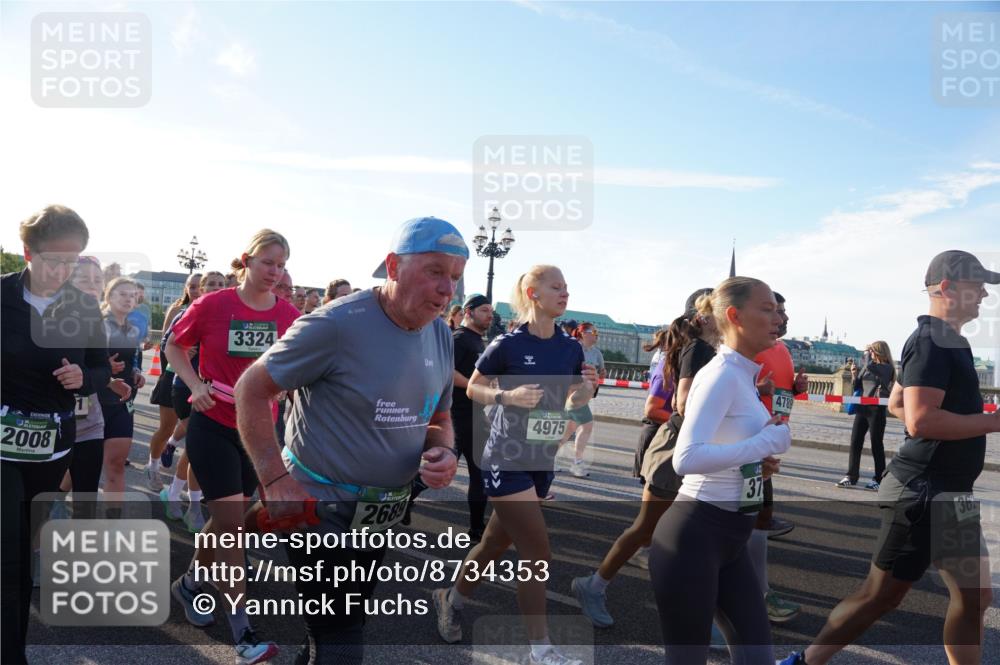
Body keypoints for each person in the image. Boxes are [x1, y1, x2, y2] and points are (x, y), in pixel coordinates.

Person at [234, 216, 465, 665]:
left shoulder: (439, 331)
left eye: (455, 277)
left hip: (379, 512)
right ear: (394, 266)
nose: (447, 290)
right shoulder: (336, 325)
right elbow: (251, 388)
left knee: (342, 622)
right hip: (319, 510)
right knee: (341, 637)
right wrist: (275, 479)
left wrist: (443, 450)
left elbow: (439, 414)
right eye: (435, 272)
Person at [779, 250, 999, 665]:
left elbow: (899, 402)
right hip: (922, 493)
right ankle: (803, 662)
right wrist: (993, 422)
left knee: (976, 595)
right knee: (880, 597)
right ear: (948, 288)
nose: (986, 293)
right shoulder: (931, 340)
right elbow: (919, 420)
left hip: (953, 493)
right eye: (978, 285)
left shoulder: (950, 340)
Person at [434, 264, 598, 665]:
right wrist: (506, 397)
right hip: (506, 457)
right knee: (537, 553)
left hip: (541, 457)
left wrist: (587, 389)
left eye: (567, 287)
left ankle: (451, 598)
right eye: (556, 286)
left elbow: (573, 403)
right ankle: (540, 650)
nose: (565, 293)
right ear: (532, 292)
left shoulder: (570, 348)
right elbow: (473, 387)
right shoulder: (506, 344)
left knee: (493, 543)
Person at [165, 230, 299, 664]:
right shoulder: (213, 304)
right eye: (267, 263)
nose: (274, 273)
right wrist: (193, 385)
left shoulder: (290, 316)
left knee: (230, 520)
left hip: (258, 432)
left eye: (281, 265)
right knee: (233, 528)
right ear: (247, 260)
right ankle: (243, 634)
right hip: (213, 424)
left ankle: (188, 586)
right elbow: (173, 345)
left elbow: (303, 363)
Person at [649, 277, 791, 664]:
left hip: (732, 538)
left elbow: (727, 448)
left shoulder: (743, 374)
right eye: (767, 309)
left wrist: (757, 466)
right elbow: (687, 459)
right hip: (694, 536)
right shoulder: (720, 374)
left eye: (777, 309)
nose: (778, 316)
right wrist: (763, 444)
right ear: (734, 316)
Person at [2, 205, 111, 665]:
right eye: (53, 260)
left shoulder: (83, 306)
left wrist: (82, 379)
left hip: (52, 446)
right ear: (27, 252)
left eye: (72, 261)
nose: (62, 270)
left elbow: (102, 369)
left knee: (24, 547)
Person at [406, 293, 493, 539]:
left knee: (478, 472)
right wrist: (475, 389)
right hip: (455, 417)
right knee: (452, 468)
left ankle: (477, 529)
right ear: (468, 312)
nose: (490, 315)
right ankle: (404, 500)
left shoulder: (477, 341)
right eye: (484, 310)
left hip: (474, 417)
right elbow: (445, 370)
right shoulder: (459, 339)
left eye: (491, 311)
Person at [748, 291, 807, 625]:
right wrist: (760, 391)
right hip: (751, 442)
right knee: (749, 522)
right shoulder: (749, 349)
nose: (782, 318)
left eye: (783, 311)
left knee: (756, 521)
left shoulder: (782, 349)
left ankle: (755, 593)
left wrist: (796, 388)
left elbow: (780, 392)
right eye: (774, 311)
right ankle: (757, 596)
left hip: (767, 442)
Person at [58, 258, 131, 516]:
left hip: (90, 421)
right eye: (83, 280)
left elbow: (94, 365)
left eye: (97, 281)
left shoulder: (95, 321)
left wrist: (109, 380)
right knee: (42, 493)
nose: (91, 286)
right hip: (49, 422)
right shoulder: (49, 317)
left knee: (86, 497)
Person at [160, 270, 227, 531]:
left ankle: (175, 494)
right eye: (210, 284)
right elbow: (168, 344)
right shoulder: (189, 311)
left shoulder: (228, 314)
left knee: (198, 451)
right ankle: (192, 507)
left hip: (214, 392)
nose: (215, 288)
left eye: (221, 284)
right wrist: (186, 351)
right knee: (199, 451)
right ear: (198, 288)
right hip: (186, 388)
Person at [145, 272, 202, 491]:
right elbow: (166, 345)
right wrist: (182, 356)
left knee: (196, 433)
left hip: (199, 380)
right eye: (192, 286)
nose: (196, 290)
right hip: (172, 376)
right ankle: (153, 466)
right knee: (167, 428)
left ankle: (187, 485)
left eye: (199, 286)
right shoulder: (178, 310)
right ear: (186, 289)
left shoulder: (213, 310)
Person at [98, 276, 145, 498]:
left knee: (116, 465)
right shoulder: (97, 324)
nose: (128, 299)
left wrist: (136, 371)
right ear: (109, 296)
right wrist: (102, 367)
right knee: (80, 464)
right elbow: (78, 360)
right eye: (122, 294)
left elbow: (134, 358)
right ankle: (59, 496)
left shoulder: (133, 329)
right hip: (93, 402)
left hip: (122, 403)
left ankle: (112, 525)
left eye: (132, 295)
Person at [837, 340, 895, 490]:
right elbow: (858, 386)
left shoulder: (886, 368)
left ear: (878, 352)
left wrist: (867, 355)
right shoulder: (868, 366)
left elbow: (871, 366)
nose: (868, 354)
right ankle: (851, 476)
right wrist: (854, 374)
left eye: (871, 351)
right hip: (862, 407)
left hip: (876, 408)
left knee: (876, 444)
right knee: (855, 442)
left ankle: (878, 479)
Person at [559, 322, 606, 477]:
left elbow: (601, 371)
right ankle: (577, 463)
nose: (596, 335)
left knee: (569, 429)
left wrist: (599, 374)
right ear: (583, 333)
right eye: (593, 331)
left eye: (597, 332)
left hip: (585, 396)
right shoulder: (573, 348)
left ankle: (550, 458)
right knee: (586, 426)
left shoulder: (596, 352)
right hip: (573, 396)